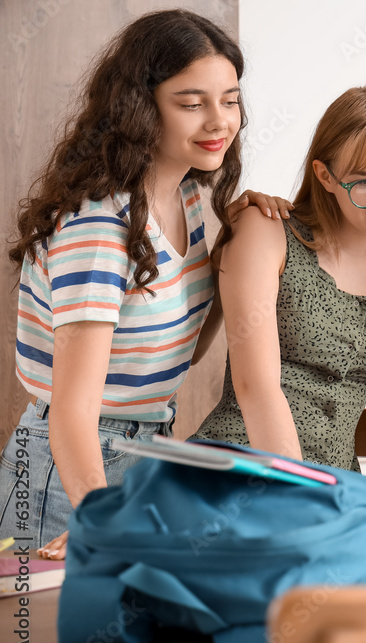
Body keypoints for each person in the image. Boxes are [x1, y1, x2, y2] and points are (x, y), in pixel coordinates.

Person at [0, 10, 290, 559]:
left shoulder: (186, 201)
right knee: (38, 640)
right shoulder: (99, 229)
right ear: (140, 108)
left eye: (229, 100)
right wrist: (100, 515)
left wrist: (237, 255)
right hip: (66, 468)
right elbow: (71, 409)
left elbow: (176, 348)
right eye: (191, 103)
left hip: (143, 448)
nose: (219, 121)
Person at [194, 86, 366, 525]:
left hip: (337, 495)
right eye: (365, 182)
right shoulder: (265, 231)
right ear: (325, 176)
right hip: (239, 480)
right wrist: (301, 507)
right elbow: (256, 387)